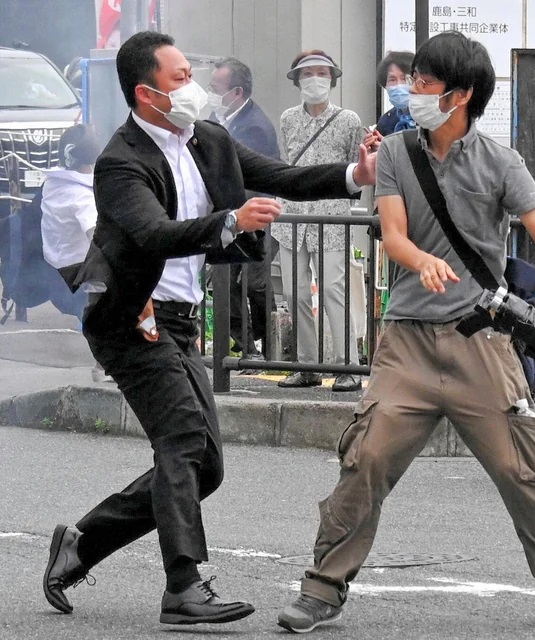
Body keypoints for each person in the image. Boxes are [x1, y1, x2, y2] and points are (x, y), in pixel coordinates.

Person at [42, 31, 376, 627]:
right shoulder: (121, 161)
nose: (191, 86)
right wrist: (230, 221)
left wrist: (356, 172)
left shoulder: (207, 138)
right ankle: (183, 586)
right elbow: (154, 234)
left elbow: (282, 176)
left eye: (190, 74)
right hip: (133, 317)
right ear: (146, 94)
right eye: (178, 78)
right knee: (181, 440)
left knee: (208, 468)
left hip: (179, 318)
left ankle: (83, 544)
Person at [277, 31, 535, 634]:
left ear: (461, 94)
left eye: (424, 81)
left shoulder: (501, 161)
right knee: (366, 457)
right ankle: (322, 588)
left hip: (482, 341)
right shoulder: (397, 153)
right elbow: (393, 234)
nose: (411, 89)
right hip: (407, 343)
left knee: (521, 467)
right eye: (413, 78)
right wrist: (420, 259)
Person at [272, 50, 363, 392]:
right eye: (307, 73)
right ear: (297, 80)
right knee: (293, 292)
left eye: (322, 73)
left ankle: (348, 366)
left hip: (332, 217)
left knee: (332, 291)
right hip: (292, 216)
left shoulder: (349, 120)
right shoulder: (287, 119)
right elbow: (285, 162)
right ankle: (306, 365)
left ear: (332, 79)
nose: (315, 79)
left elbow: (356, 169)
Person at [206, 56, 280, 363]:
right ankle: (246, 346)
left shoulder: (254, 127)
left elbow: (251, 178)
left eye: (215, 88)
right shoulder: (218, 118)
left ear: (237, 92)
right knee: (228, 283)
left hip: (255, 218)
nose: (210, 94)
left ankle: (267, 343)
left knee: (253, 283)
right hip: (232, 217)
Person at [40, 123, 113, 383]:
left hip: (56, 263)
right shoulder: (81, 196)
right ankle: (104, 365)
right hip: (79, 267)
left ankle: (104, 362)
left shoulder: (54, 183)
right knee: (118, 292)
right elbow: (96, 235)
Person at [375, 50, 416, 136]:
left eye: (404, 79)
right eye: (392, 80)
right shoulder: (386, 122)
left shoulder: (429, 116)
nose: (399, 85)